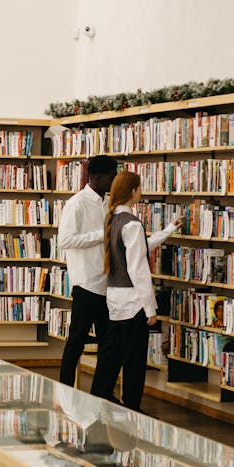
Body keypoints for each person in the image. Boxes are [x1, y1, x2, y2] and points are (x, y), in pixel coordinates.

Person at [91, 170, 180, 410]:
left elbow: (137, 249)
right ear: (132, 191)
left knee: (110, 356)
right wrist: (150, 308)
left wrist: (168, 230)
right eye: (140, 188)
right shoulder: (131, 223)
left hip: (115, 298)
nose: (141, 192)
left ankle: (97, 398)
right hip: (133, 301)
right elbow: (138, 268)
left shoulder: (112, 220)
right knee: (134, 360)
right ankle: (131, 406)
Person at [57, 154, 118, 386]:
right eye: (111, 178)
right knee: (77, 340)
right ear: (96, 177)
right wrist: (102, 235)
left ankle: (102, 392)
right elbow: (66, 240)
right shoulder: (77, 204)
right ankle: (64, 390)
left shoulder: (109, 202)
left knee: (108, 344)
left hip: (107, 283)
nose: (114, 182)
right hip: (86, 283)